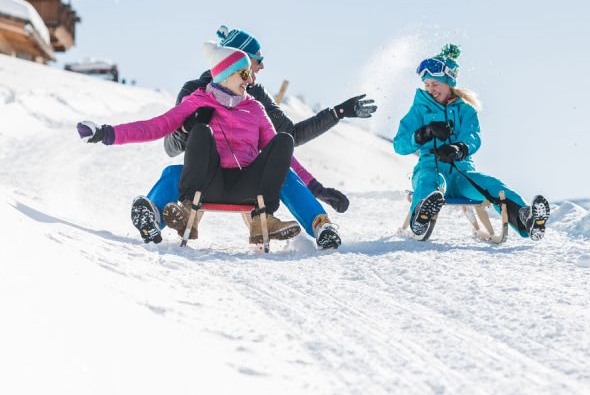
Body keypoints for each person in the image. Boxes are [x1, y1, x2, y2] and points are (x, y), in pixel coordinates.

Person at [131, 25, 377, 249]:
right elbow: (171, 147)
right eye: (257, 60)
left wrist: (337, 114)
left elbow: (287, 137)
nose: (261, 67)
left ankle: (321, 225)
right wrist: (187, 129)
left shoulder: (255, 97)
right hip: (205, 177)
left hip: (248, 178)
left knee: (284, 175)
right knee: (173, 174)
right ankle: (151, 219)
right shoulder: (194, 91)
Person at [77, 44, 308, 244]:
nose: (250, 80)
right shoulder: (197, 100)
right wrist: (105, 134)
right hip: (209, 183)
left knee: (284, 140)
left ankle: (262, 218)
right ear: (226, 74)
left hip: (249, 185)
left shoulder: (255, 107)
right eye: (244, 74)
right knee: (199, 131)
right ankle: (185, 211)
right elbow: (157, 126)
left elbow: (281, 157)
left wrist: (314, 187)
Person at [393, 44, 550, 241]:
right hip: (430, 168)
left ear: (449, 82)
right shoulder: (419, 110)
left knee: (489, 184)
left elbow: (473, 136)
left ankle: (525, 218)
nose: (430, 89)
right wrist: (424, 133)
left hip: (462, 174)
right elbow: (399, 145)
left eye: (435, 84)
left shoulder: (465, 110)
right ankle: (421, 216)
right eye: (427, 85)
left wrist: (459, 148)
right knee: (430, 182)